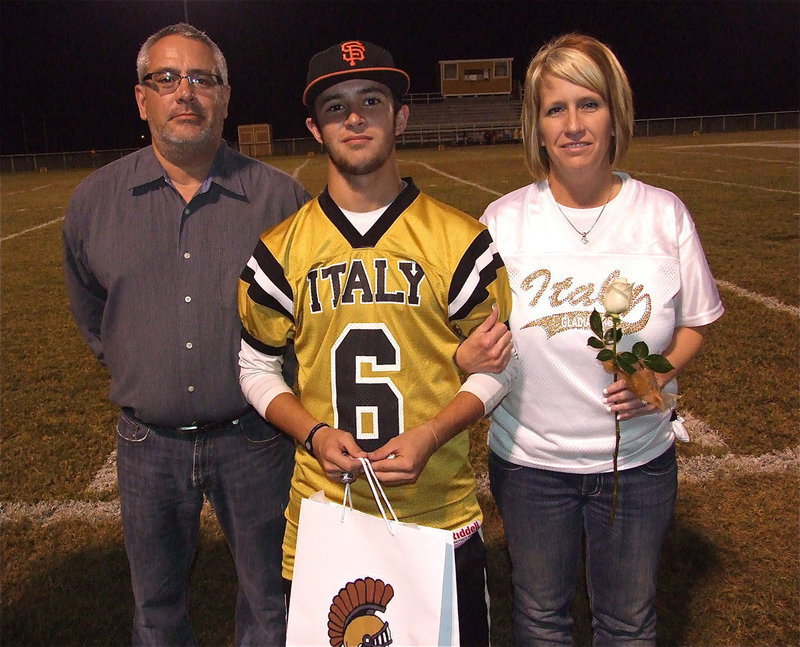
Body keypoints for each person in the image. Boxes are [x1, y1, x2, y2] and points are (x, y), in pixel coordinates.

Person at [237, 39, 514, 645]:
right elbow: (255, 368)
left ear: (401, 116)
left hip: (438, 511)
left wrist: (431, 433)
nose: (355, 117)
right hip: (325, 513)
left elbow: (498, 370)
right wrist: (310, 433)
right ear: (315, 128)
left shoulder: (460, 240)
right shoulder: (281, 249)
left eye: (371, 100)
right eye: (336, 107)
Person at [63, 23, 309, 647]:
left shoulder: (281, 201)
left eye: (202, 78)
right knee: (157, 608)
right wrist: (139, 365)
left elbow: (310, 320)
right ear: (142, 98)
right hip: (149, 444)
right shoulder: (95, 200)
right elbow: (92, 309)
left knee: (271, 601)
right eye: (166, 78)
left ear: (226, 96)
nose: (186, 93)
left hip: (257, 441)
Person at [479, 34, 724, 645]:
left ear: (615, 112)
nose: (573, 125)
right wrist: (467, 355)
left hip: (636, 465)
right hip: (530, 464)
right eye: (554, 108)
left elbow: (695, 320)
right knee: (540, 618)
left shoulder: (663, 213)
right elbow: (476, 341)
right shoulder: (502, 220)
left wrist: (659, 372)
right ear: (536, 127)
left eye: (588, 104)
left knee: (628, 620)